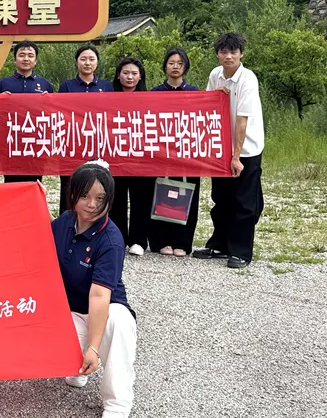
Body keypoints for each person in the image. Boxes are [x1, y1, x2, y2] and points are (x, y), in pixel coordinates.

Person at [50, 161, 137, 418]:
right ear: (72, 194)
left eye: (100, 198)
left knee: (119, 325)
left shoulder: (111, 239)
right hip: (71, 311)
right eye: (85, 196)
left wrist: (94, 349)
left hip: (106, 309)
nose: (91, 205)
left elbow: (100, 296)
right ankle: (75, 366)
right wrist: (33, 202)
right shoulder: (63, 222)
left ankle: (117, 403)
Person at [193, 32, 264, 269]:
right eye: (224, 52)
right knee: (221, 198)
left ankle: (241, 251)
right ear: (217, 54)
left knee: (244, 201)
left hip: (246, 148)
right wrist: (215, 95)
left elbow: (242, 120)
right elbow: (208, 105)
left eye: (233, 52)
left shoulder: (248, 79)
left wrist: (236, 156)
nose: (229, 57)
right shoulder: (216, 74)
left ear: (241, 54)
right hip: (222, 146)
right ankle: (220, 244)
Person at [148, 47, 201, 257]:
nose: (175, 67)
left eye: (180, 63)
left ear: (185, 67)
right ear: (165, 66)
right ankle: (161, 241)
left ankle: (183, 242)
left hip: (187, 153)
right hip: (161, 153)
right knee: (161, 194)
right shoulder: (155, 93)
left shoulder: (195, 93)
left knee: (186, 194)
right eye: (171, 63)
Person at [58, 45, 114, 213]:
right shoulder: (66, 86)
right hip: (72, 143)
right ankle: (68, 221)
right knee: (70, 186)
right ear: (77, 62)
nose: (87, 63)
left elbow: (112, 113)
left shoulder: (106, 86)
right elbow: (60, 113)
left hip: (99, 143)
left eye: (91, 59)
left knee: (98, 185)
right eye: (83, 59)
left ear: (97, 62)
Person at [109, 57, 154, 257]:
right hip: (116, 155)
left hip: (141, 157)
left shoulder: (150, 97)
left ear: (140, 76)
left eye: (134, 73)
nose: (130, 77)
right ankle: (117, 238)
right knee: (116, 198)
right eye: (125, 73)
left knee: (141, 198)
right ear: (118, 75)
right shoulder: (107, 96)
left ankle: (138, 240)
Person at [0, 40, 54, 185]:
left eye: (30, 55)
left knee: (35, 183)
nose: (26, 59)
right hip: (10, 141)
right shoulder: (3, 84)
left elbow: (52, 114)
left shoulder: (45, 84)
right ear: (15, 60)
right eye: (22, 55)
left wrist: (48, 101)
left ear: (35, 61)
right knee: (11, 184)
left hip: (36, 141)